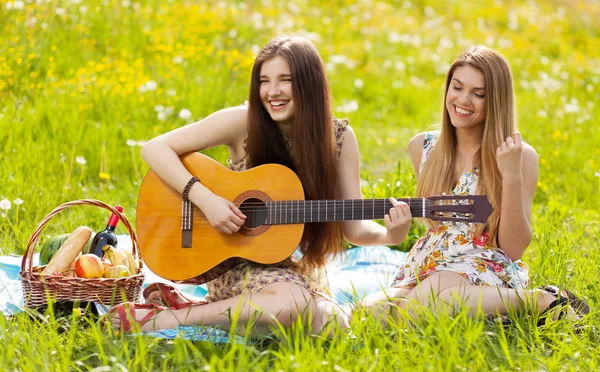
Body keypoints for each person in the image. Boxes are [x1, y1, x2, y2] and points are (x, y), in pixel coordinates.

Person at [107, 36, 412, 334]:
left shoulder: (339, 139)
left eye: (284, 80)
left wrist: (390, 233)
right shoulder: (244, 122)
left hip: (298, 268)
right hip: (236, 262)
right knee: (292, 304)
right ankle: (167, 319)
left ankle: (189, 306)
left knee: (334, 327)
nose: (272, 91)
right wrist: (206, 199)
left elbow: (354, 229)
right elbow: (155, 148)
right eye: (264, 81)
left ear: (310, 83)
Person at [357, 46, 589, 325]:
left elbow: (513, 248)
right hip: (430, 261)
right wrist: (397, 229)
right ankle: (490, 311)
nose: (463, 100)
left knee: (420, 310)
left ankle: (539, 300)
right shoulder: (423, 147)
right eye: (457, 87)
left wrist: (512, 176)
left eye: (478, 94)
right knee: (366, 313)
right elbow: (438, 228)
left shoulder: (519, 155)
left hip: (484, 261)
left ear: (496, 101)